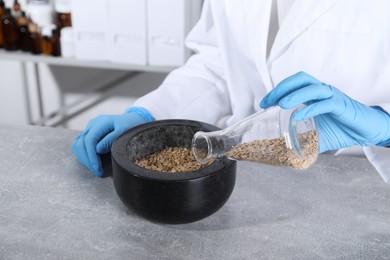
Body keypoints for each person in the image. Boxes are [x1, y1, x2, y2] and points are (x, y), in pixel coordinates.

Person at [71, 0, 390, 181]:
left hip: (363, 184)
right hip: (254, 173)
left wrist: (383, 128)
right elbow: (220, 59)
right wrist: (150, 113)